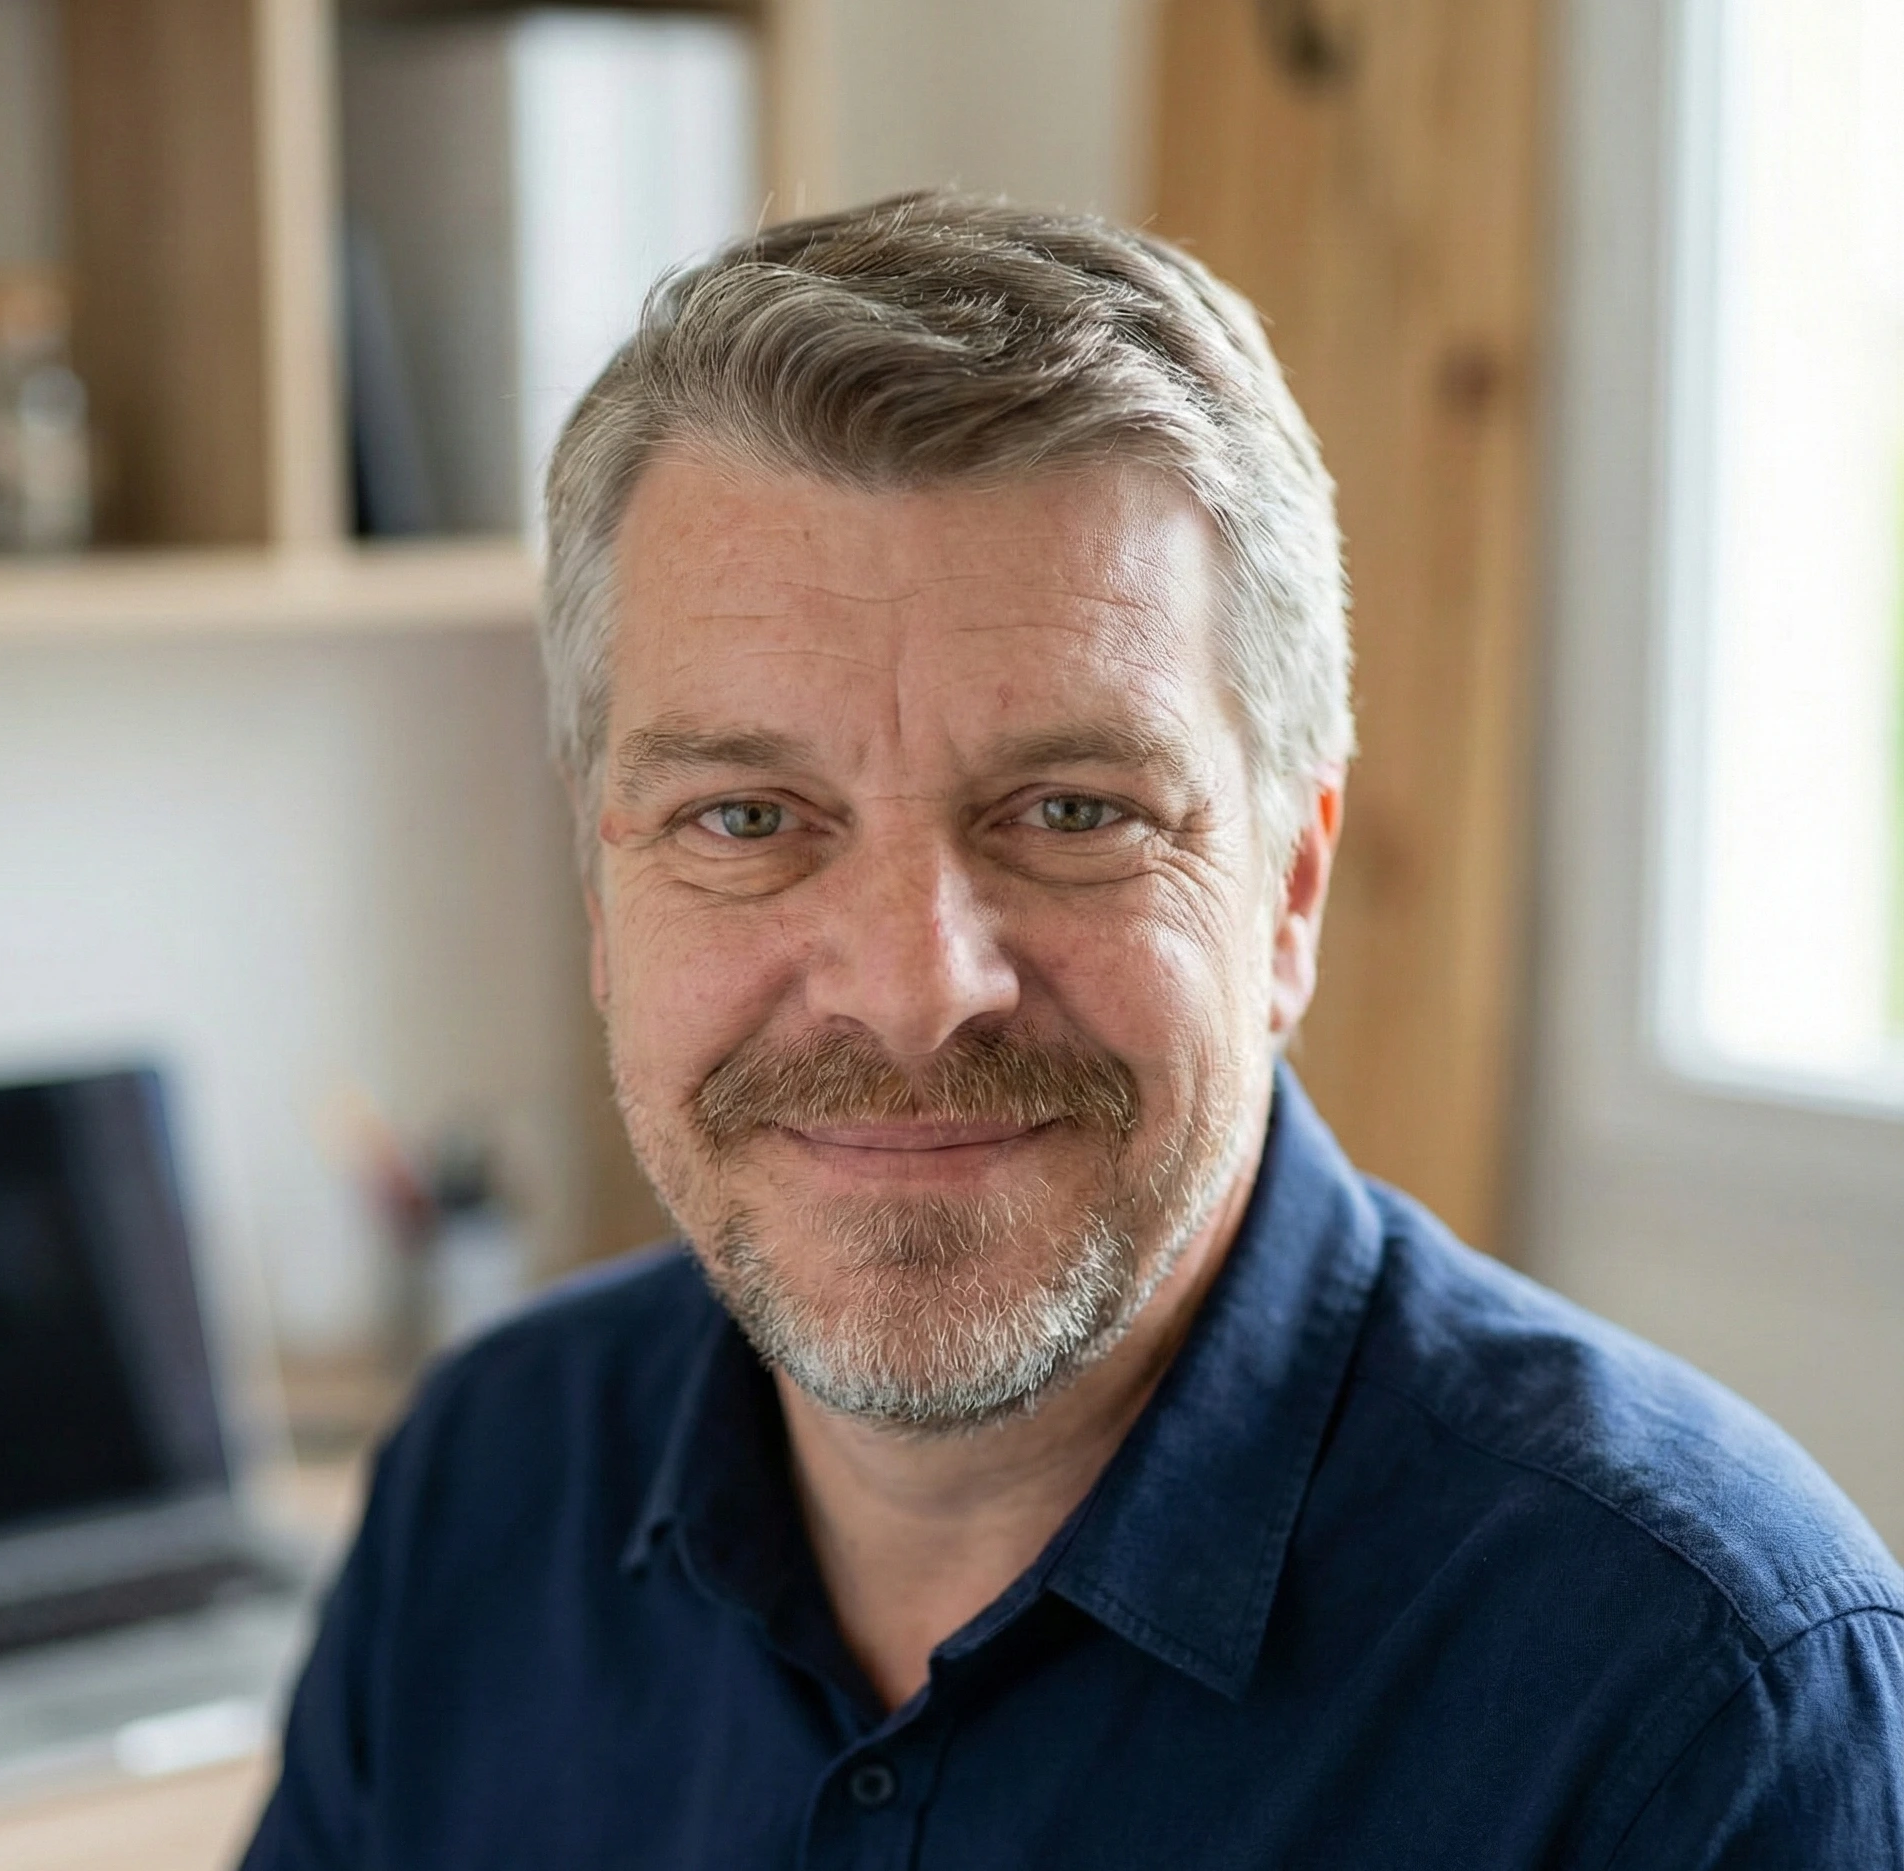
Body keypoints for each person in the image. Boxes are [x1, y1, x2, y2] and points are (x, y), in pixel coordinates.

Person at [242, 194, 1904, 1868]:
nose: (909, 988)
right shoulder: (486, 1475)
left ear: (1290, 894)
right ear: (606, 905)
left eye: (1068, 807)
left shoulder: (1710, 1706)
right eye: (746, 818)